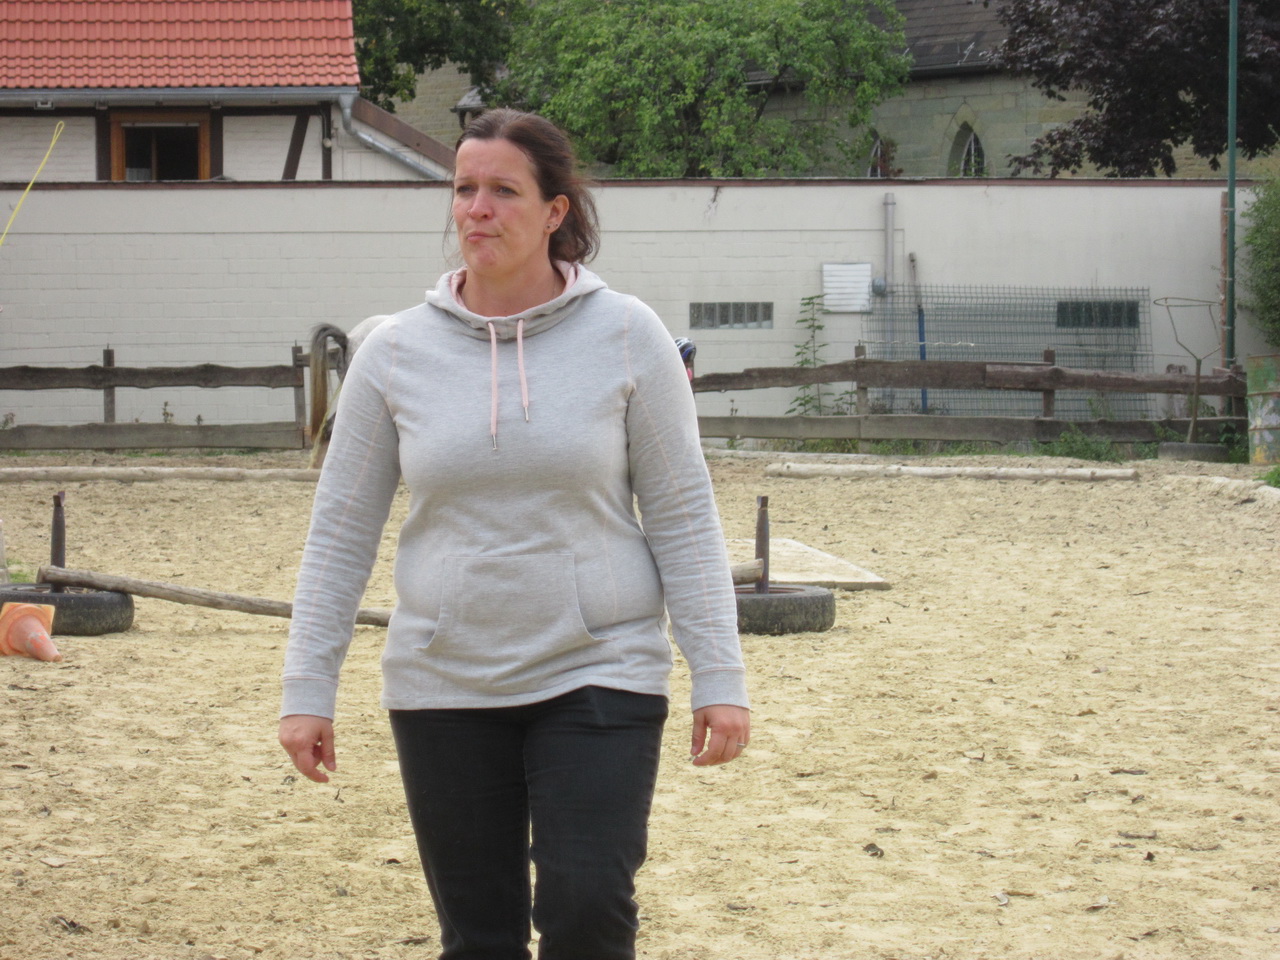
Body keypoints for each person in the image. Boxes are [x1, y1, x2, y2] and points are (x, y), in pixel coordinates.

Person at [278, 108, 749, 960]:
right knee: (480, 937)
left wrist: (720, 674)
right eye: (465, 189)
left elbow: (683, 515)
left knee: (587, 905)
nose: (477, 209)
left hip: (599, 668)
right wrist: (307, 687)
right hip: (443, 681)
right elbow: (340, 535)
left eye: (502, 190)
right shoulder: (394, 353)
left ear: (554, 211)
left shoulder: (627, 334)